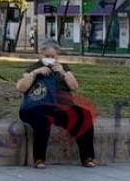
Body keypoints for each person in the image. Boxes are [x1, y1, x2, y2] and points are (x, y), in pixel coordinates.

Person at [16, 39, 96, 169]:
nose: (50, 59)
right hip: (38, 105)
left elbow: (74, 86)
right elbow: (21, 87)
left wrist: (63, 73)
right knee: (42, 120)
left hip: (60, 106)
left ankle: (87, 157)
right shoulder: (34, 67)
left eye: (53, 56)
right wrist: (35, 73)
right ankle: (39, 159)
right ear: (40, 55)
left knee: (84, 115)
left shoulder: (63, 68)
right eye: (47, 56)